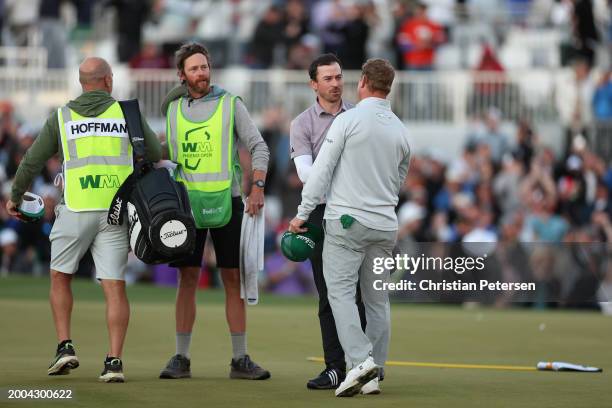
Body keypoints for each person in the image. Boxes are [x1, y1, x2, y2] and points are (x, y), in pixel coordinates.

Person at [6, 57, 162, 382]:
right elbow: (155, 154)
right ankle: (114, 362)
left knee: (60, 277)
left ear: (81, 83)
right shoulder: (126, 112)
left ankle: (65, 346)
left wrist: (16, 196)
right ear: (108, 81)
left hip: (75, 208)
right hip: (116, 212)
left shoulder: (62, 116)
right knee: (114, 286)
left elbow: (32, 160)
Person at [289, 58, 411, 397]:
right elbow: (398, 180)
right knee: (377, 301)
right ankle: (374, 371)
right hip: (385, 224)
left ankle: (360, 363)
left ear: (363, 83)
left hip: (346, 221)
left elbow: (320, 173)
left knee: (339, 294)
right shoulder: (401, 129)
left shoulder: (348, 121)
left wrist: (301, 214)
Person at [158, 42, 271, 380]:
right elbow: (167, 148)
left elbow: (258, 146)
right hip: (186, 205)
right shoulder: (173, 108)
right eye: (194, 68)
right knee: (187, 278)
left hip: (228, 201)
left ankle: (240, 360)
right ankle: (180, 357)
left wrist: (258, 186)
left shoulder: (230, 103)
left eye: (204, 67)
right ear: (182, 75)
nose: (202, 73)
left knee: (232, 279)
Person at [289, 53, 367, 390]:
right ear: (314, 84)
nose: (335, 84)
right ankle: (335, 367)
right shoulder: (302, 123)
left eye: (338, 77)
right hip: (321, 212)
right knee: (328, 294)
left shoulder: (360, 115)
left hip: (357, 208)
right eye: (328, 79)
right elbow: (306, 174)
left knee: (362, 292)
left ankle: (362, 365)